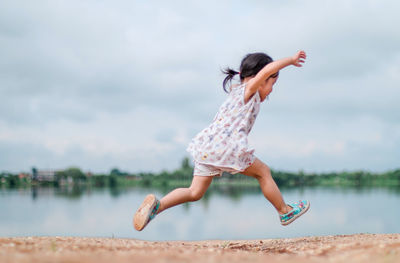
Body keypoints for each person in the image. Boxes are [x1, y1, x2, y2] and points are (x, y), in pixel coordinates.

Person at [133, 50, 310, 231]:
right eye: (273, 83)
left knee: (194, 192)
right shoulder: (248, 90)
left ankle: (157, 207)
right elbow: (265, 71)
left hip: (208, 147)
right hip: (226, 147)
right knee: (263, 172)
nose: (272, 89)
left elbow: (263, 74)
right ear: (260, 78)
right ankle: (284, 211)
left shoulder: (236, 93)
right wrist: (290, 60)